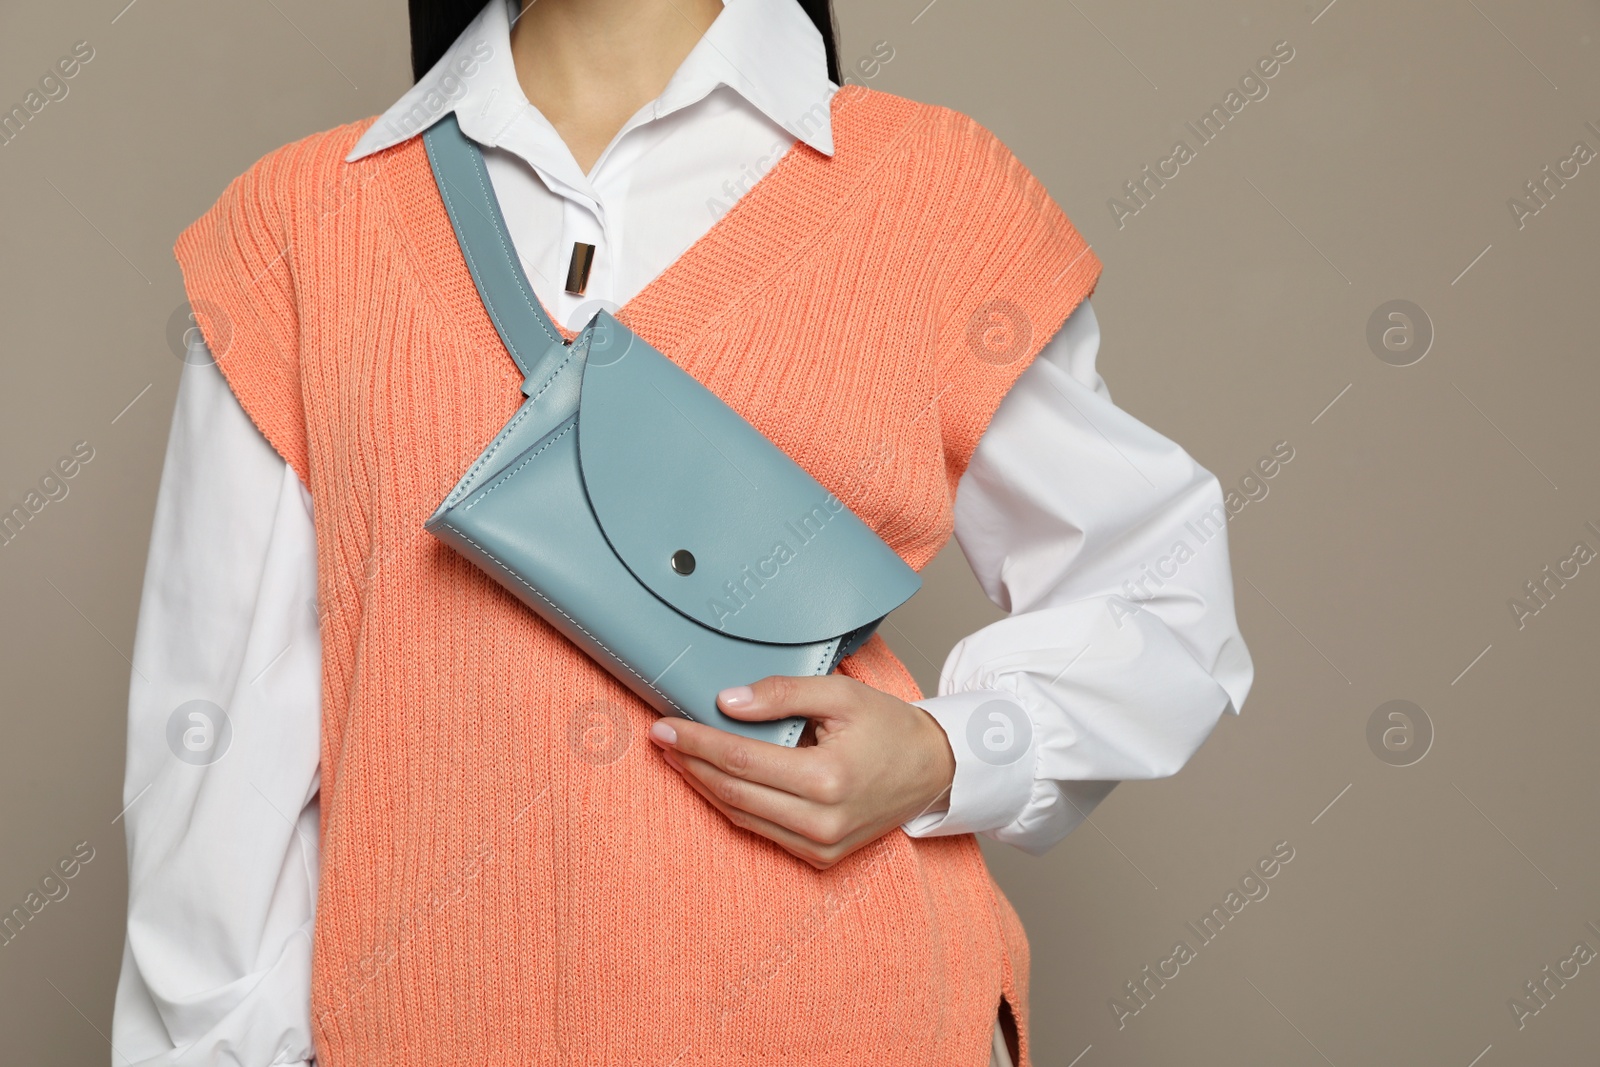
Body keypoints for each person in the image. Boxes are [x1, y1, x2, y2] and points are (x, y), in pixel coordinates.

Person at [112, 1, 1253, 1064]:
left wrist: (949, 754)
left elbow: (1158, 589)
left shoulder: (930, 189)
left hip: (865, 1012)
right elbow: (208, 748)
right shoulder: (300, 226)